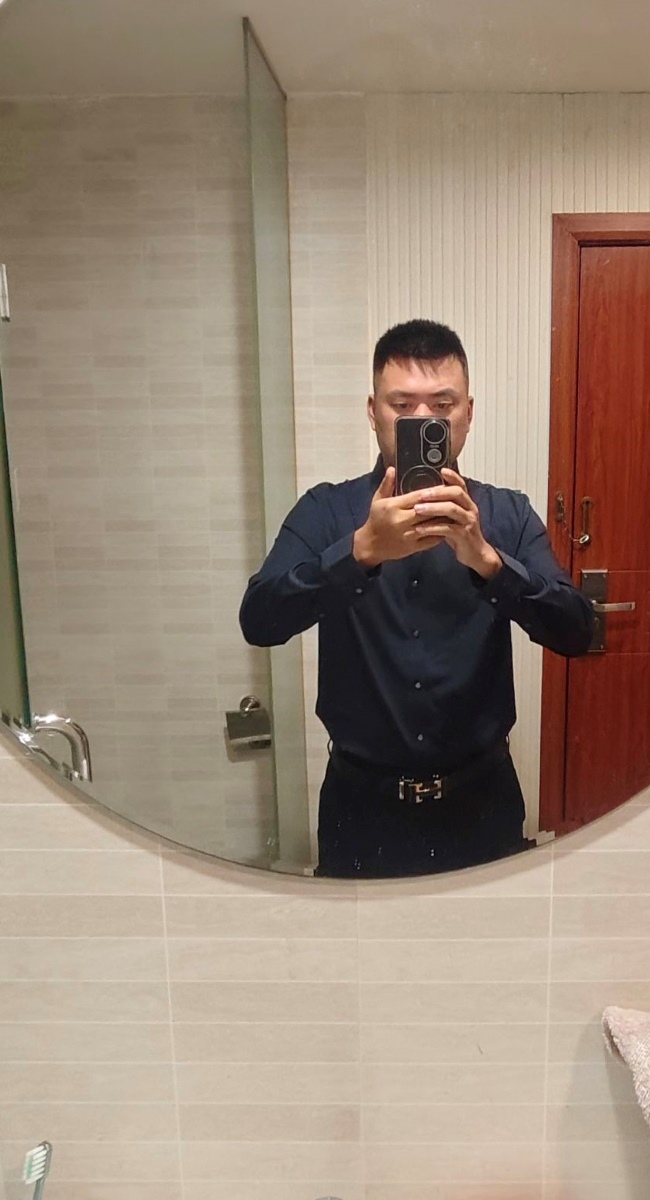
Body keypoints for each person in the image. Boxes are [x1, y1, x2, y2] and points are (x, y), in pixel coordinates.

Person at [239, 320, 594, 878]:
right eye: (402, 405)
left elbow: (576, 632)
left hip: (483, 806)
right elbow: (259, 620)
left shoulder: (507, 515)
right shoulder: (327, 512)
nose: (423, 419)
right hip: (361, 809)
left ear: (468, 414)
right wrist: (358, 553)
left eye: (442, 405)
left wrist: (488, 562)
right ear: (373, 412)